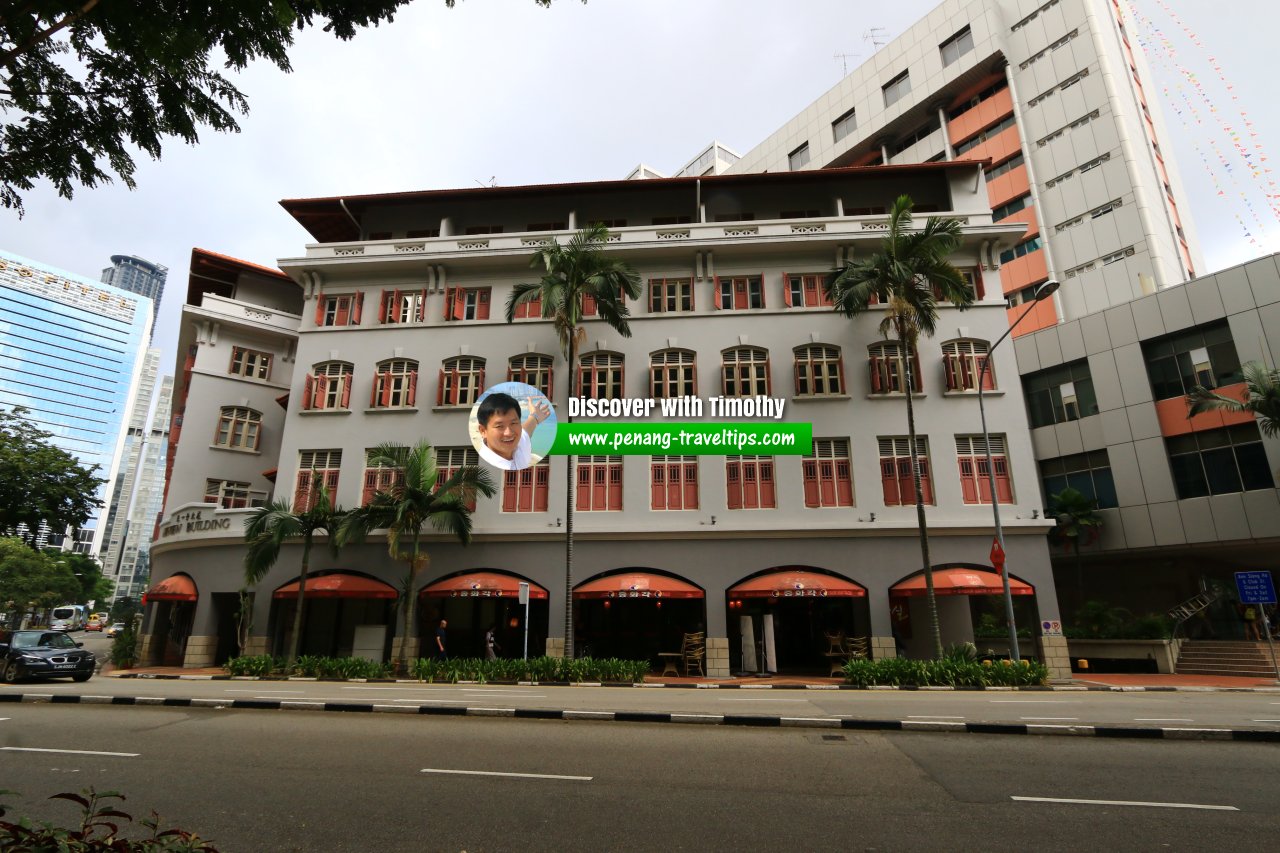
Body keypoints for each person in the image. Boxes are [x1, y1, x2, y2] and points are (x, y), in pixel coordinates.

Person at [474, 392, 550, 471]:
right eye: (499, 426)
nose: (509, 433)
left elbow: (526, 430)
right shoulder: (487, 465)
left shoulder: (519, 444)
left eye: (513, 423)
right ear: (483, 431)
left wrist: (534, 416)